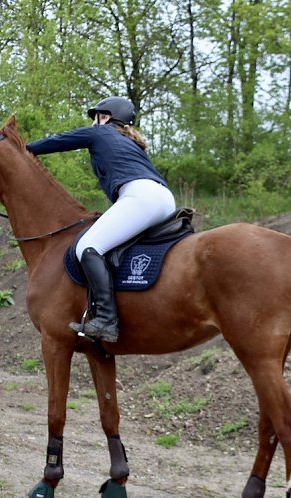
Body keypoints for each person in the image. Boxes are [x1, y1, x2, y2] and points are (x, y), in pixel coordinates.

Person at [25, 96, 176, 343]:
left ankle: (106, 320)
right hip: (164, 199)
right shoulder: (131, 142)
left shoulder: (101, 133)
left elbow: (59, 141)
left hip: (140, 197)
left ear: (105, 117)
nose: (94, 122)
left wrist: (24, 149)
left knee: (87, 246)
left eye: (97, 117)